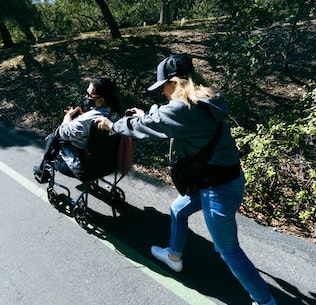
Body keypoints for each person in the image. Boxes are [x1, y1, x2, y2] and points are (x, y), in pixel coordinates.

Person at [95, 54, 276, 305]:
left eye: (163, 87)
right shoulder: (206, 98)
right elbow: (174, 120)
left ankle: (265, 301)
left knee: (228, 251)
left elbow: (150, 125)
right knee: (177, 209)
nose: (162, 93)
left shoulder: (183, 108)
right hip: (221, 179)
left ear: (176, 82)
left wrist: (113, 126)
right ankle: (174, 255)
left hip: (216, 188)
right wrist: (150, 113)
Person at [34, 77, 120, 182]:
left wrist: (68, 117)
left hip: (83, 167)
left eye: (89, 95)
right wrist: (81, 118)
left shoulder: (87, 119)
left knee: (54, 138)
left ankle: (42, 173)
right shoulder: (117, 115)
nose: (86, 97)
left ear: (101, 100)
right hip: (109, 165)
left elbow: (63, 132)